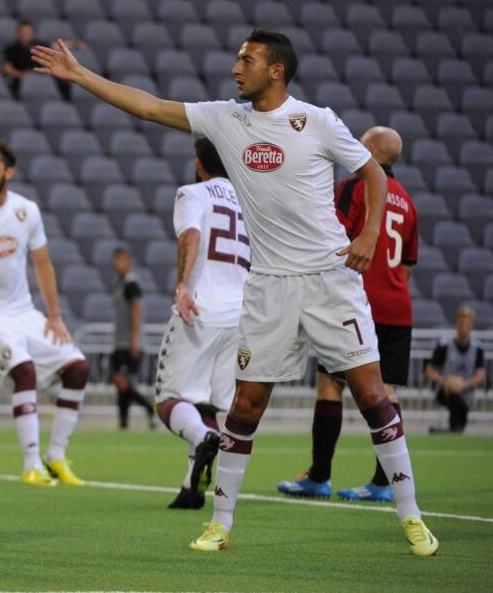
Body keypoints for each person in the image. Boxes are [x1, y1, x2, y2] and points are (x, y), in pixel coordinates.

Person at [32, 28, 438, 555]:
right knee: (244, 406)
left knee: (373, 395)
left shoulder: (316, 121)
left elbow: (373, 176)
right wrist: (82, 76)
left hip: (328, 280)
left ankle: (411, 516)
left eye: (246, 59)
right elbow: (151, 107)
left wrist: (365, 233)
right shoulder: (226, 118)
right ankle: (220, 523)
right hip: (267, 285)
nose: (235, 68)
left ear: (276, 70)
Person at [278, 126, 418, 502]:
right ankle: (384, 483)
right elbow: (406, 264)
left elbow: (333, 238)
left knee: (330, 385)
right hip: (398, 306)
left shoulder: (356, 187)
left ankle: (319, 476)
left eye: (361, 140)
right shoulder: (407, 199)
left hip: (357, 302)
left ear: (370, 149)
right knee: (387, 391)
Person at [0, 140, 91, 487]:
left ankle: (56, 456)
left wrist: (55, 316)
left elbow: (43, 262)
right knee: (25, 371)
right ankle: (31, 464)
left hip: (24, 312)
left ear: (9, 172)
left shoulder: (26, 210)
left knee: (78, 368)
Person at [154, 137, 249, 511]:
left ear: (199, 164)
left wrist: (182, 285)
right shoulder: (247, 204)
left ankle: (203, 437)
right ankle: (190, 489)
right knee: (209, 401)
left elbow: (190, 235)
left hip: (201, 308)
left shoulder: (192, 192)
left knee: (169, 400)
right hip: (240, 312)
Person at [109, 246, 154, 430]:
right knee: (122, 384)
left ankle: (150, 409)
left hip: (129, 342)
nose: (117, 263)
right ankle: (123, 422)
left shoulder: (131, 284)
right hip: (120, 341)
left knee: (122, 381)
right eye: (115, 259)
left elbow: (137, 311)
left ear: (129, 261)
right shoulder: (120, 283)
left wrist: (134, 340)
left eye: (121, 259)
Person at [425, 305, 486, 433]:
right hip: (445, 391)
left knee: (457, 394)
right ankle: (455, 429)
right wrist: (447, 382)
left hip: (466, 392)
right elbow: (429, 370)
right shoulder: (444, 346)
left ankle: (449, 430)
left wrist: (462, 385)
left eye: (467, 322)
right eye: (461, 322)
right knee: (453, 391)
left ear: (471, 325)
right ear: (456, 323)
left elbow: (480, 375)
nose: (464, 326)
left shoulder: (477, 349)